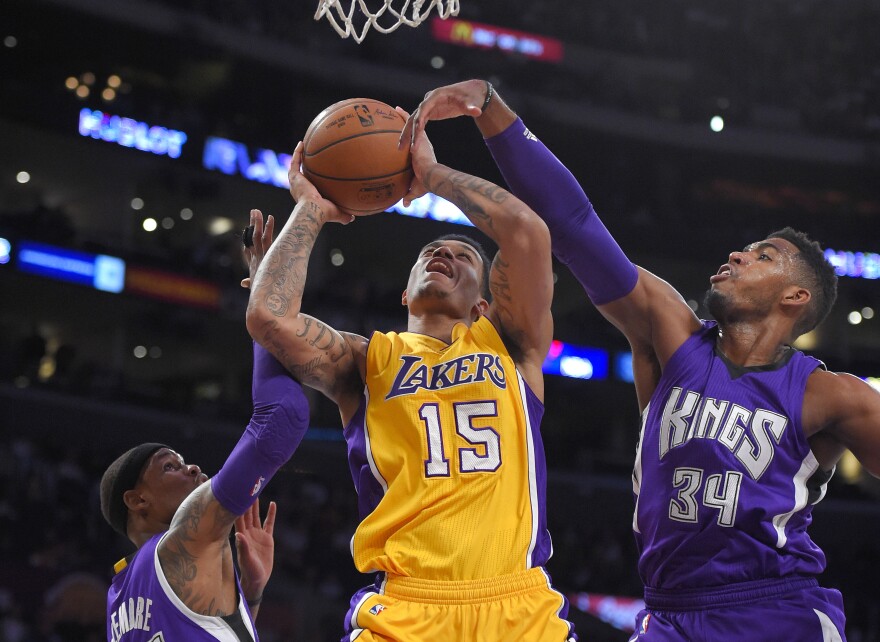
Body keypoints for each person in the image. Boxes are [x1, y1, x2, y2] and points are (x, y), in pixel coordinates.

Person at [402, 79, 880, 641]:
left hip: (777, 610)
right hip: (669, 614)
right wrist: (489, 108)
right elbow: (576, 226)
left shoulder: (832, 395)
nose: (736, 254)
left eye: (762, 256)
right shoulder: (669, 332)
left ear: (795, 298)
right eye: (745, 248)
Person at [245, 119, 576, 641]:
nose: (441, 254)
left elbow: (528, 232)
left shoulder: (511, 344)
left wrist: (434, 174)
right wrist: (311, 209)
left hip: (517, 606)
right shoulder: (365, 359)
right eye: (430, 253)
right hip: (405, 607)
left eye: (463, 256)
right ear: (405, 294)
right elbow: (268, 318)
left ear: (484, 303)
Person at [99, 218, 310, 642]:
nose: (193, 468)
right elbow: (281, 417)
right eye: (170, 466)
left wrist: (249, 596)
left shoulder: (117, 597)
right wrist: (264, 295)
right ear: (137, 499)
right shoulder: (181, 542)